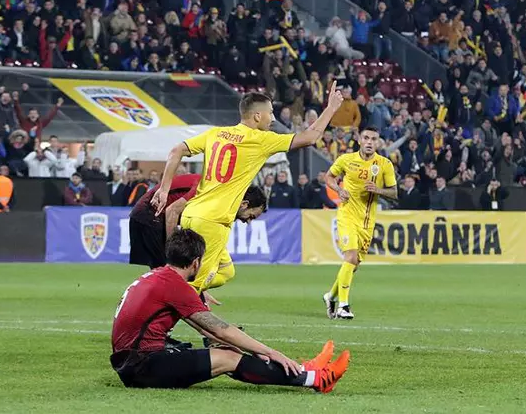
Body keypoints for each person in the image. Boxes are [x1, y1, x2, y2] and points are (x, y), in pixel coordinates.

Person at [152, 86, 344, 293]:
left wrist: (164, 189)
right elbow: (310, 137)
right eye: (270, 113)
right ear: (257, 115)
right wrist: (331, 108)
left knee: (225, 272)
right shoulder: (259, 139)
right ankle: (159, 314)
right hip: (214, 220)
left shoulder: (215, 133)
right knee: (194, 288)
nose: (272, 118)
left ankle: (165, 291)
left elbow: (176, 150)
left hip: (191, 213)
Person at [110, 229, 350, 391]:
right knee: (228, 357)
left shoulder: (160, 277)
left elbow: (208, 332)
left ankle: (303, 368)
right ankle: (317, 379)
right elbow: (221, 329)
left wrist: (253, 351)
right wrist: (270, 351)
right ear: (196, 262)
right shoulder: (175, 286)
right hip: (140, 367)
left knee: (224, 350)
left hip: (133, 361)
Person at [323, 127, 398, 320]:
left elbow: (394, 194)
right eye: (366, 138)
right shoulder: (346, 160)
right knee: (350, 257)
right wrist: (338, 190)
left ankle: (330, 295)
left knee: (353, 264)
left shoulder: (384, 164)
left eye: (374, 138)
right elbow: (328, 177)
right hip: (347, 215)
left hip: (367, 222)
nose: (369, 142)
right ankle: (343, 306)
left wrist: (378, 190)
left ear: (378, 142)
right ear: (359, 140)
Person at [130, 174, 266, 271]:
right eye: (251, 216)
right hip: (150, 215)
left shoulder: (221, 199)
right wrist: (173, 250)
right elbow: (172, 211)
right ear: (244, 204)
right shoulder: (210, 188)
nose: (248, 222)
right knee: (173, 272)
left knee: (172, 273)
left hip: (150, 216)